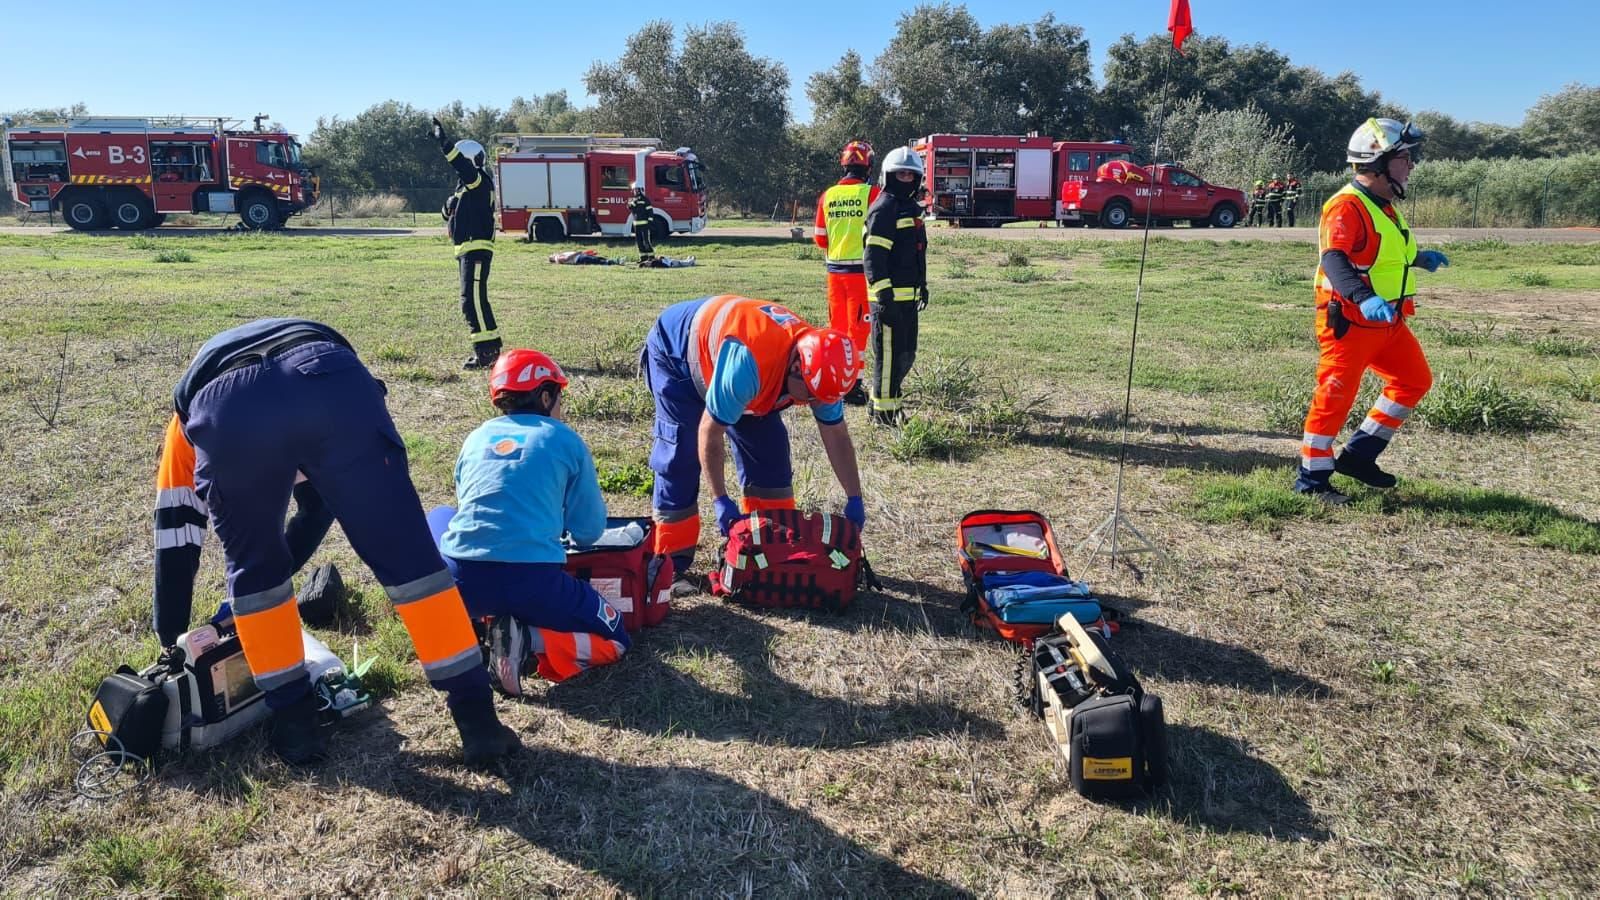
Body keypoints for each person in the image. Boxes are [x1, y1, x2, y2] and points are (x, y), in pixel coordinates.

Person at [161, 317, 519, 765]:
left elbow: (176, 534)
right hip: (331, 374)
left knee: (255, 576)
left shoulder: (187, 423)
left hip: (229, 407)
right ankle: (478, 722)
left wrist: (169, 631)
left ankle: (296, 728)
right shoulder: (304, 387)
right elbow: (318, 508)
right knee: (414, 564)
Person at [425, 349, 630, 695]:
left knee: (439, 516)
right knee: (617, 639)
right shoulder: (564, 438)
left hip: (462, 583)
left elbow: (470, 510)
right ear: (546, 395)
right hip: (535, 582)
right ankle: (528, 640)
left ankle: (464, 627)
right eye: (559, 398)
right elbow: (589, 531)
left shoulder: (474, 438)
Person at [642, 295, 866, 593]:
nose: (812, 404)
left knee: (769, 454)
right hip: (678, 354)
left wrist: (855, 497)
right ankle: (668, 563)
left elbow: (836, 434)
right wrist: (720, 499)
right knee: (681, 453)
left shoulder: (822, 369)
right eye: (810, 395)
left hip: (747, 372)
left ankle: (769, 549)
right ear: (797, 367)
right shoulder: (749, 365)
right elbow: (710, 432)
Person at [1295, 118, 1450, 504]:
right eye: (1405, 158)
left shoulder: (1383, 205)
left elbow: (1381, 253)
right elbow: (1334, 259)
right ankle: (1312, 480)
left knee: (1414, 380)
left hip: (1388, 322)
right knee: (1335, 397)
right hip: (1349, 321)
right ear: (1379, 163)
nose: (1411, 165)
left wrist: (1418, 259)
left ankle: (1359, 456)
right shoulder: (1346, 206)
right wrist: (1364, 298)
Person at [862, 146, 928, 427]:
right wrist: (884, 296)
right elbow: (874, 257)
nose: (907, 180)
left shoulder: (910, 210)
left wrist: (921, 286)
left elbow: (914, 253)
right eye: (901, 174)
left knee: (905, 355)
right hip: (888, 300)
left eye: (911, 175)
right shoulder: (884, 209)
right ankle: (883, 415)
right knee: (887, 360)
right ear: (888, 176)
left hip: (908, 299)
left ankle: (890, 405)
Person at [813, 140, 880, 406]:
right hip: (860, 275)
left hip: (834, 273)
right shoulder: (872, 194)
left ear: (843, 165)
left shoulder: (827, 196)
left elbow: (820, 238)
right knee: (859, 331)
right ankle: (852, 385)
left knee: (837, 328)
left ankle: (833, 378)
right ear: (868, 166)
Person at [431, 117, 501, 370]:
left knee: (472, 301)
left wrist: (445, 144)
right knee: (472, 300)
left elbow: (462, 167)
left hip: (477, 249)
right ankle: (489, 349)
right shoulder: (466, 189)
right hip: (466, 250)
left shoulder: (478, 180)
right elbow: (449, 212)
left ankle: (487, 353)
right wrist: (447, 207)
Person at [630, 184, 655, 260]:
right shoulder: (634, 200)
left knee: (646, 242)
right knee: (639, 242)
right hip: (636, 225)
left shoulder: (645, 200)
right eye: (634, 190)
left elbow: (650, 212)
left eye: (637, 189)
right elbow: (630, 208)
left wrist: (650, 222)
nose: (635, 191)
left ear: (641, 190)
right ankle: (643, 258)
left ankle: (651, 257)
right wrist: (633, 202)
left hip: (644, 224)